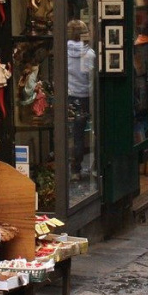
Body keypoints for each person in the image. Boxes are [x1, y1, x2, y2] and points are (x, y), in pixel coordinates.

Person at [66, 19, 95, 177]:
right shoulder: (89, 54)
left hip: (69, 96)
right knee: (85, 132)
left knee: (73, 133)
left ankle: (74, 169)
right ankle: (91, 166)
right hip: (85, 96)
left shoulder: (63, 52)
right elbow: (91, 79)